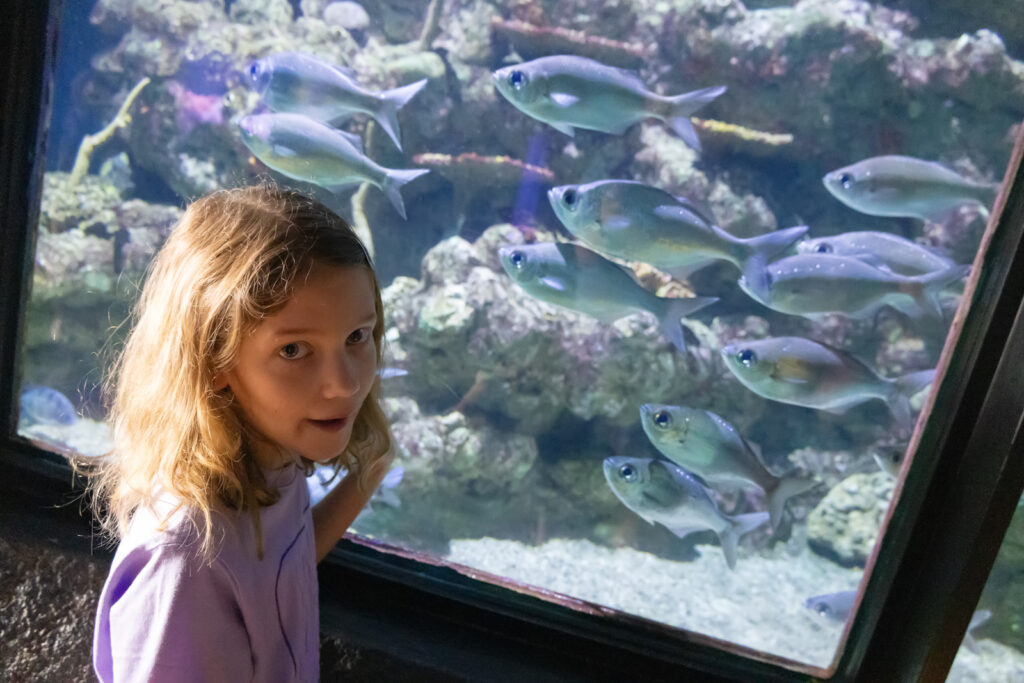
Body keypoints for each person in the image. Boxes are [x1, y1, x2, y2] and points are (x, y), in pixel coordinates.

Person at [86, 182, 394, 682]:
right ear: (213, 358)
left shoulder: (269, 461)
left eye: (357, 336)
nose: (346, 383)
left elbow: (277, 565)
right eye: (294, 350)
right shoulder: (185, 561)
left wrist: (369, 472)